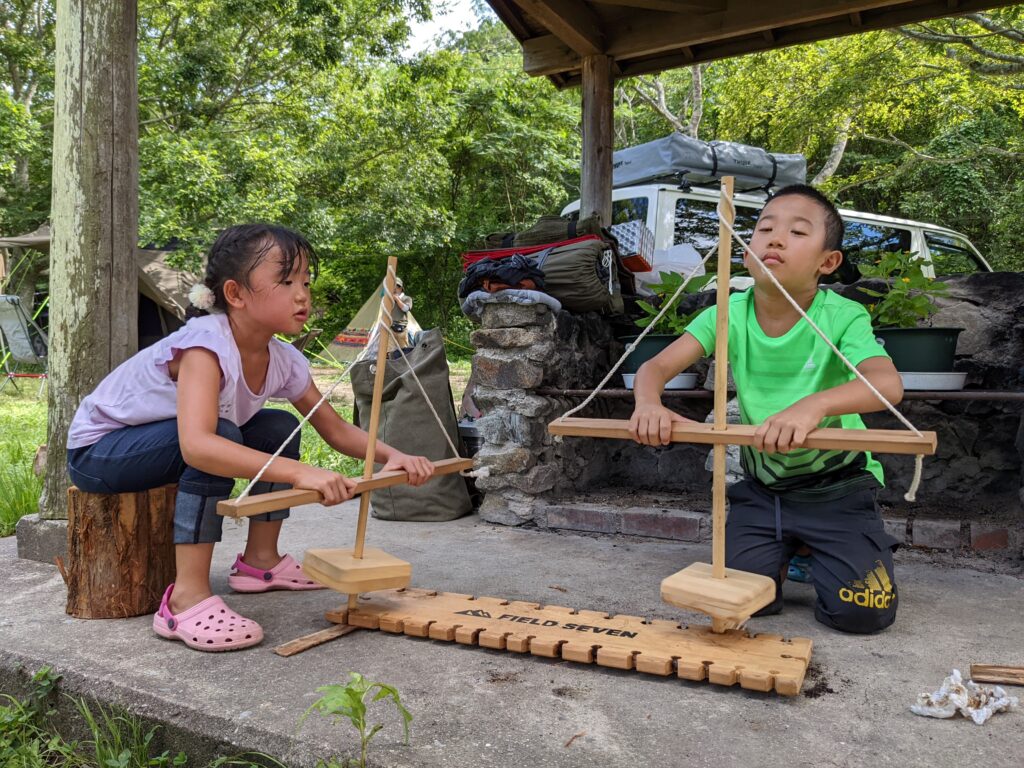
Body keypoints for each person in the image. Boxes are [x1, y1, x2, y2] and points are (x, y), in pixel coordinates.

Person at [66, 224, 434, 652]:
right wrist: (300, 473)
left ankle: (261, 562)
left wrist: (394, 456)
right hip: (102, 452)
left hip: (159, 443)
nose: (302, 295)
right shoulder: (205, 346)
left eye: (305, 282)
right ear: (236, 295)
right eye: (286, 281)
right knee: (218, 437)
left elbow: (333, 428)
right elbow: (198, 446)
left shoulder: (283, 358)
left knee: (277, 426)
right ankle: (185, 598)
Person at [628, 185, 904, 634]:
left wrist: (812, 407)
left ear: (827, 262)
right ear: (745, 249)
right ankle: (790, 549)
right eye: (764, 229)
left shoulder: (842, 315)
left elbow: (887, 383)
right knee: (739, 607)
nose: (774, 239)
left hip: (836, 490)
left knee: (863, 612)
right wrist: (648, 404)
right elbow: (655, 368)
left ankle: (822, 547)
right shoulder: (728, 313)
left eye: (797, 232)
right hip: (764, 489)